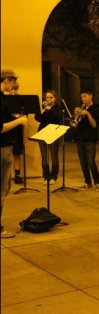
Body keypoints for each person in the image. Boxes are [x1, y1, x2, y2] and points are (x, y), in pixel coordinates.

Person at [1, 68, 28, 238]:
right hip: (2, 149)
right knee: (2, 190)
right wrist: (19, 120)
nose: (14, 85)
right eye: (13, 81)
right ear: (6, 80)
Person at [73, 90, 99, 191]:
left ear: (91, 96)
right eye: (82, 97)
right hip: (80, 138)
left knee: (91, 161)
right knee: (83, 162)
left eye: (85, 96)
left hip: (90, 139)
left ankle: (97, 182)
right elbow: (75, 124)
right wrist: (76, 115)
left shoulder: (96, 110)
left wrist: (88, 114)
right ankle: (87, 182)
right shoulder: (82, 108)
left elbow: (94, 125)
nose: (83, 99)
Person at [35, 90, 62, 185]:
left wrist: (49, 109)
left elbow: (57, 118)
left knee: (54, 157)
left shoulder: (57, 108)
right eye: (47, 97)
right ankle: (46, 176)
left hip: (54, 133)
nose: (49, 99)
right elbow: (37, 118)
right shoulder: (43, 107)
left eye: (51, 97)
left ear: (55, 98)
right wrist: (43, 110)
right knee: (44, 158)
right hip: (43, 132)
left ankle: (53, 176)